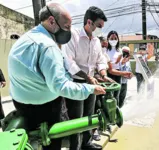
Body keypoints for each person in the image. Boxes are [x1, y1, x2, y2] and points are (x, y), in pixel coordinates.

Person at [8, 3, 105, 150]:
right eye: (66, 26)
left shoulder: (25, 39)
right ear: (52, 21)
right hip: (46, 107)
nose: (68, 31)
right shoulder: (48, 46)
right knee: (53, 140)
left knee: (34, 141)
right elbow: (60, 85)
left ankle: (84, 143)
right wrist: (90, 89)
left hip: (21, 104)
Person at [62, 6, 113, 150]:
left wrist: (103, 74)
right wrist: (87, 77)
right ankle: (75, 147)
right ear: (89, 22)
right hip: (76, 82)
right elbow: (69, 62)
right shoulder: (73, 36)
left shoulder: (96, 40)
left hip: (92, 83)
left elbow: (100, 60)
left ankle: (86, 143)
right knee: (76, 118)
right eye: (99, 26)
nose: (100, 29)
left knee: (89, 114)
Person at [106, 30, 132, 103]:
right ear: (108, 39)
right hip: (109, 74)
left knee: (117, 95)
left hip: (118, 75)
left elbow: (120, 64)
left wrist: (123, 62)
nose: (113, 40)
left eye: (115, 38)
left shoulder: (119, 50)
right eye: (111, 38)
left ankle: (116, 111)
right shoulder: (105, 50)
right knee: (110, 96)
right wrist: (123, 73)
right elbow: (109, 67)